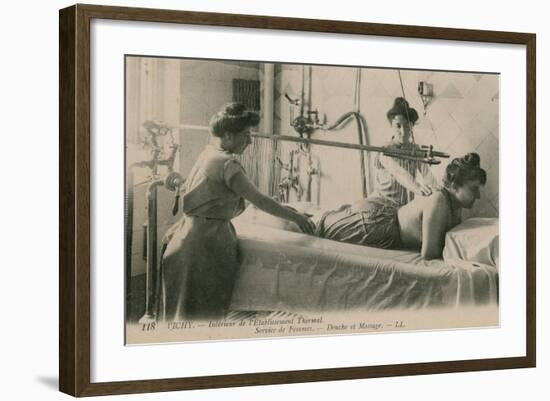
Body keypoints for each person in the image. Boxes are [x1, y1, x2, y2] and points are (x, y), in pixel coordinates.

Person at [158, 103, 315, 321]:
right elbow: (260, 200)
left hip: (188, 238)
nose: (250, 141)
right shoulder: (226, 164)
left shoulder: (208, 154)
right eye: (246, 135)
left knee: (183, 313)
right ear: (230, 135)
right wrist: (296, 217)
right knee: (203, 315)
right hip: (205, 244)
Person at [315, 153, 486, 260]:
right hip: (377, 224)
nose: (478, 195)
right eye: (474, 189)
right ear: (455, 186)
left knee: (326, 219)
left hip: (384, 215)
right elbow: (428, 253)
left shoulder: (457, 206)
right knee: (318, 226)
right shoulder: (439, 201)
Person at [372, 97, 437, 206]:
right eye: (398, 126)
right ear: (391, 125)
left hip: (403, 208)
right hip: (382, 204)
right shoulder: (384, 150)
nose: (403, 131)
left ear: (411, 126)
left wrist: (436, 189)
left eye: (407, 126)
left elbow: (427, 175)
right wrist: (418, 187)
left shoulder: (415, 150)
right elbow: (399, 173)